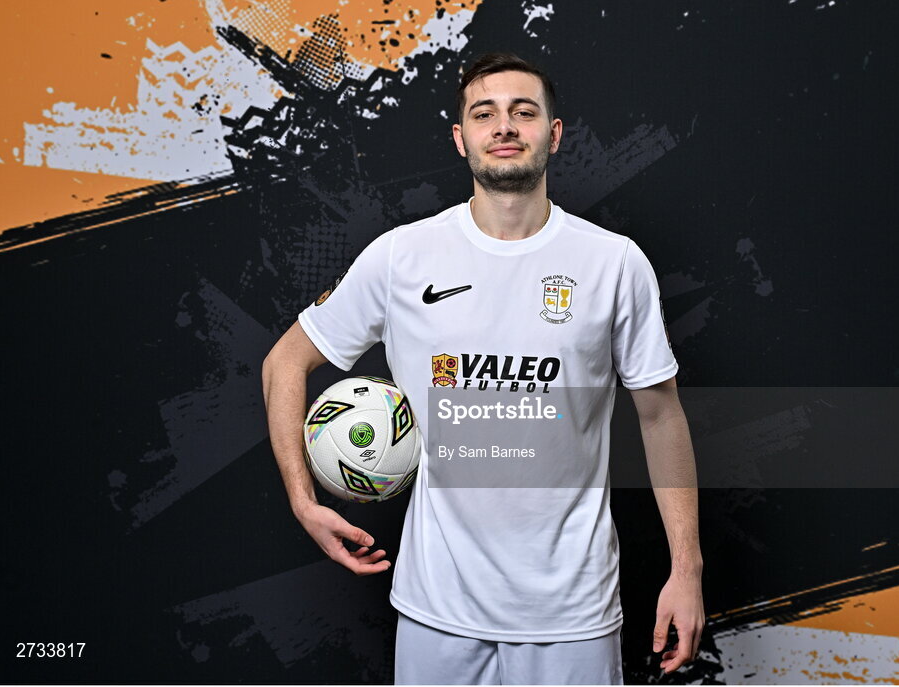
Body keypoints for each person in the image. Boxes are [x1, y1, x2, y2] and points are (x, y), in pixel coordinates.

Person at [261, 52, 704, 684]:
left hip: (572, 615)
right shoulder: (401, 258)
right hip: (437, 611)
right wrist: (304, 502)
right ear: (460, 137)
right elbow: (285, 362)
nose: (504, 127)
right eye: (485, 114)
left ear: (553, 134)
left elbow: (661, 417)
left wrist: (686, 570)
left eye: (524, 113)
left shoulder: (614, 264)